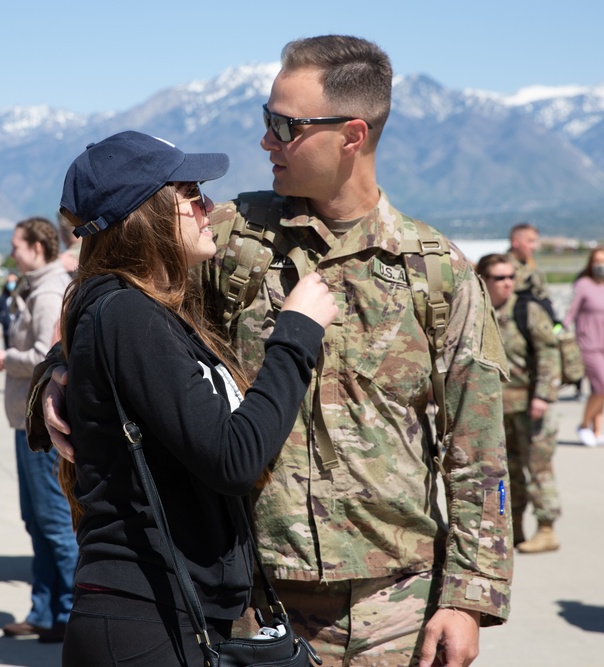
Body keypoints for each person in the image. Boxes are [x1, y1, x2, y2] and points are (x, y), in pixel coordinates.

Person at [37, 35, 511, 666]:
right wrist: (57, 377)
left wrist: (467, 598)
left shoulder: (437, 272)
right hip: (252, 604)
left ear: (351, 135)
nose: (265, 141)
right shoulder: (232, 241)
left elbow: (476, 449)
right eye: (267, 120)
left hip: (394, 603)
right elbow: (115, 307)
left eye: (282, 125)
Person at [54, 131, 334, 666]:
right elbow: (234, 458)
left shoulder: (139, 309)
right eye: (189, 192)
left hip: (170, 613)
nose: (209, 205)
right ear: (145, 213)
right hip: (145, 619)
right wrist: (296, 336)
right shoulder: (127, 314)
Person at [0, 218, 76, 644]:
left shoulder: (48, 292)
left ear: (37, 248)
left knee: (54, 522)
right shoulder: (36, 288)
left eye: (17, 246)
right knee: (36, 521)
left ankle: (70, 612)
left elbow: (48, 356)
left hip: (39, 426)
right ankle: (46, 610)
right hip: (25, 423)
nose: (13, 254)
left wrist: (7, 357)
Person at [478, 254, 562, 554]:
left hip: (530, 406)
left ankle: (547, 528)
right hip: (497, 409)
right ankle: (511, 530)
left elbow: (549, 355)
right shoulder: (478, 312)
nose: (508, 283)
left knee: (538, 469)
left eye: (510, 276)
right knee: (506, 473)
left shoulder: (528, 310)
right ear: (484, 281)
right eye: (499, 278)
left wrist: (543, 395)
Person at [564, 246, 604, 447]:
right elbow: (568, 314)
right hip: (589, 343)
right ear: (590, 264)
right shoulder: (583, 285)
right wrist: (555, 334)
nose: (601, 265)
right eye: (597, 261)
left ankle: (598, 432)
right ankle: (583, 425)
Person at [506, 222, 549, 300]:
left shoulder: (530, 264)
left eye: (535, 241)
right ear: (514, 242)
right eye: (530, 241)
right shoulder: (503, 267)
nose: (534, 246)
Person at [0, 273, 18, 348]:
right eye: (9, 281)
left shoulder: (23, 297)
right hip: (7, 332)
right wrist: (5, 320)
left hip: (19, 332)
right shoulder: (3, 299)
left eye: (13, 281)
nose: (11, 284)